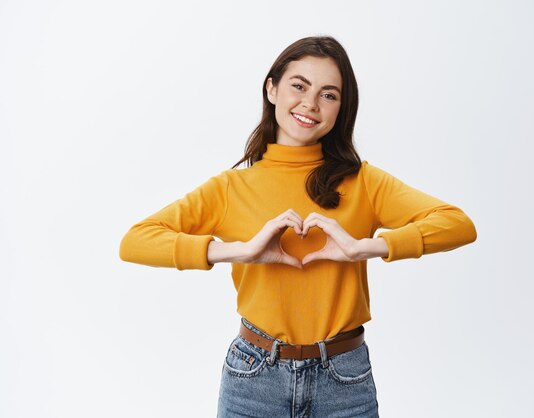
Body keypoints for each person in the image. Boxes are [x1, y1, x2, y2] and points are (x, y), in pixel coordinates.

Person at [119, 35, 477, 417]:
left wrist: (367, 247)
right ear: (272, 89)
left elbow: (457, 224)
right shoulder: (230, 188)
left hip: (344, 378)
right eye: (299, 86)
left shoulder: (364, 182)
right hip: (253, 378)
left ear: (342, 108)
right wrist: (238, 251)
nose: (310, 103)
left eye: (329, 94)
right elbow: (135, 241)